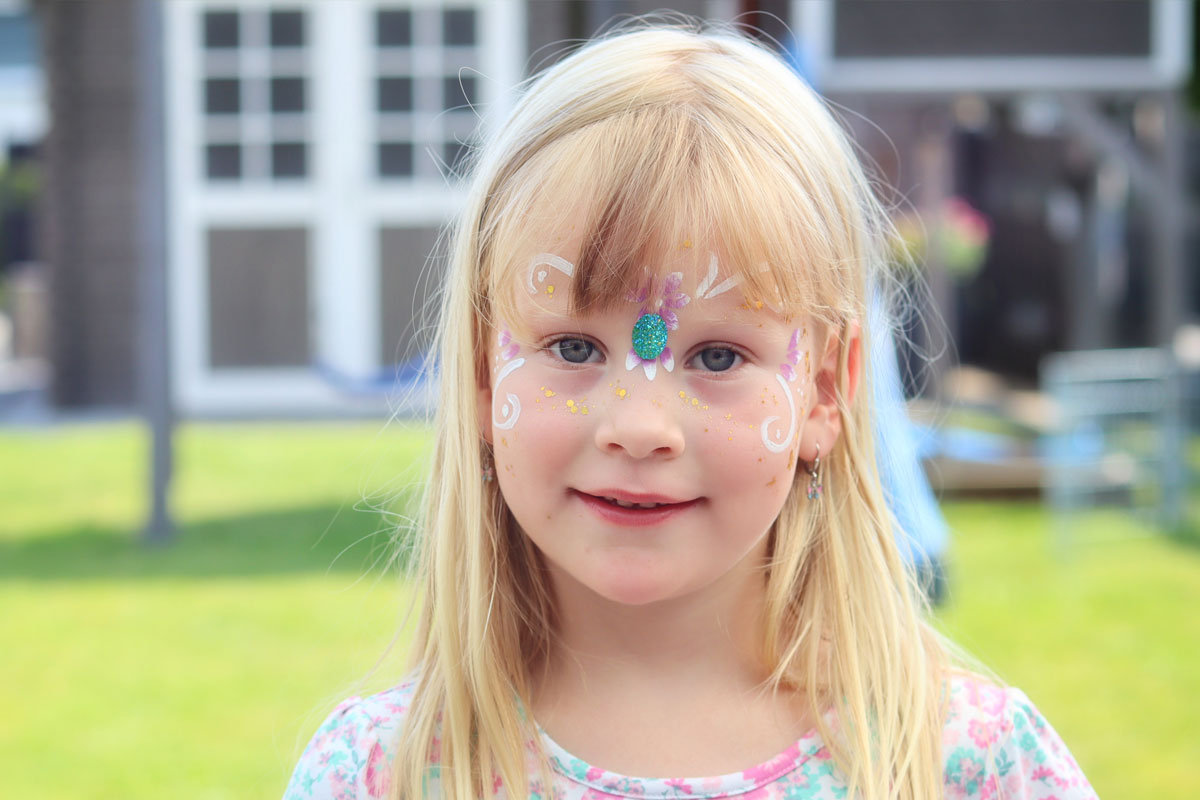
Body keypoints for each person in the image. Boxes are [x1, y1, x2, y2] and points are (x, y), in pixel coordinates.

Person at [284, 22, 1095, 800]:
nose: (638, 427)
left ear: (824, 391)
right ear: (480, 372)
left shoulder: (972, 768)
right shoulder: (377, 777)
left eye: (717, 358)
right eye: (573, 348)